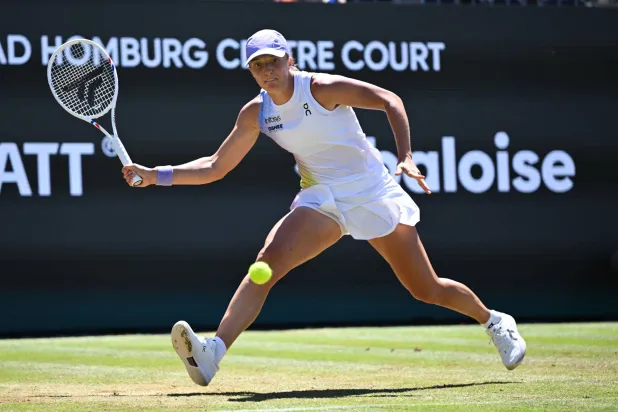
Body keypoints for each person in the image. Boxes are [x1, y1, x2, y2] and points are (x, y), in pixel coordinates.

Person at [122, 29, 526, 387]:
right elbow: (216, 166)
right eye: (257, 64)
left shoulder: (322, 88)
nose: (267, 70)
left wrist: (405, 156)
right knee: (267, 262)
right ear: (251, 71)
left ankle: (493, 321)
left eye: (273, 61)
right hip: (323, 197)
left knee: (427, 289)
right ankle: (212, 354)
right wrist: (155, 174)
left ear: (289, 59)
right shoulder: (256, 112)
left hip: (372, 191)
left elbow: (390, 100)